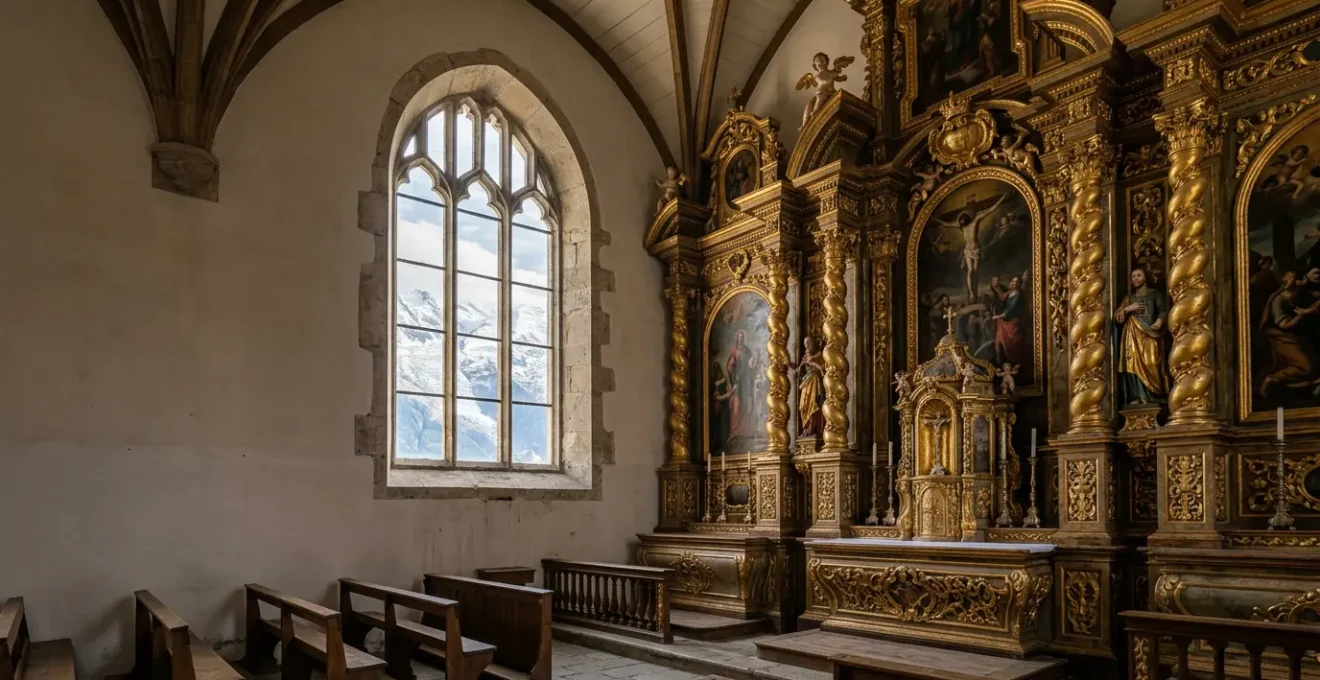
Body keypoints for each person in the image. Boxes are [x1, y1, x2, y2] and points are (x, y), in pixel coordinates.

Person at [930, 192, 1011, 299]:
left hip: (976, 249)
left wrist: (1002, 198)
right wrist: (935, 219)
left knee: (975, 272)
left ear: (966, 219)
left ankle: (975, 291)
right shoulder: (961, 226)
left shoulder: (975, 221)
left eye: (962, 220)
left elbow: (990, 210)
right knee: (970, 271)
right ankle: (972, 293)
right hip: (968, 250)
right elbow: (947, 224)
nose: (961, 223)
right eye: (960, 221)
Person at [1259, 271, 1320, 397]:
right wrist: (1305, 313)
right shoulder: (1278, 301)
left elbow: (1312, 296)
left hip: (1294, 334)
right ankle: (1271, 379)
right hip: (1280, 335)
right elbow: (1284, 325)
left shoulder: (1296, 292)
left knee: (1314, 365)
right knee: (1306, 367)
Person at [1113, 268, 1169, 405]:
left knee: (1152, 363)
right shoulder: (1129, 298)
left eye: (1139, 275)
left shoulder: (1155, 294)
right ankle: (1138, 396)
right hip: (1132, 335)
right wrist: (1128, 309)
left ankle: (1153, 395)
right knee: (1132, 364)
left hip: (1151, 334)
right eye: (1133, 276)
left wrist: (1159, 321)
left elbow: (1164, 310)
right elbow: (1118, 318)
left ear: (1145, 278)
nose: (1136, 278)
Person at [992, 275, 1028, 368]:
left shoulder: (1018, 295)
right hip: (1004, 321)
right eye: (1013, 281)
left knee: (1014, 343)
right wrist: (997, 288)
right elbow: (1002, 297)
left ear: (1020, 284)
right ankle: (999, 361)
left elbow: (1010, 310)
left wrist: (997, 316)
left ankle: (1016, 361)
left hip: (1013, 322)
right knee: (999, 339)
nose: (1014, 283)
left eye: (1016, 282)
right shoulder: (1011, 292)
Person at [794, 337, 826, 436]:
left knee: (813, 404)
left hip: (814, 382)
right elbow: (800, 371)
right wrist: (797, 370)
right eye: (805, 344)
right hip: (806, 383)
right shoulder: (805, 357)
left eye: (809, 343)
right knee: (803, 406)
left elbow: (822, 369)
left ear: (814, 344)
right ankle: (806, 428)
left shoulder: (820, 355)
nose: (807, 346)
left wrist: (811, 363)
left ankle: (813, 428)